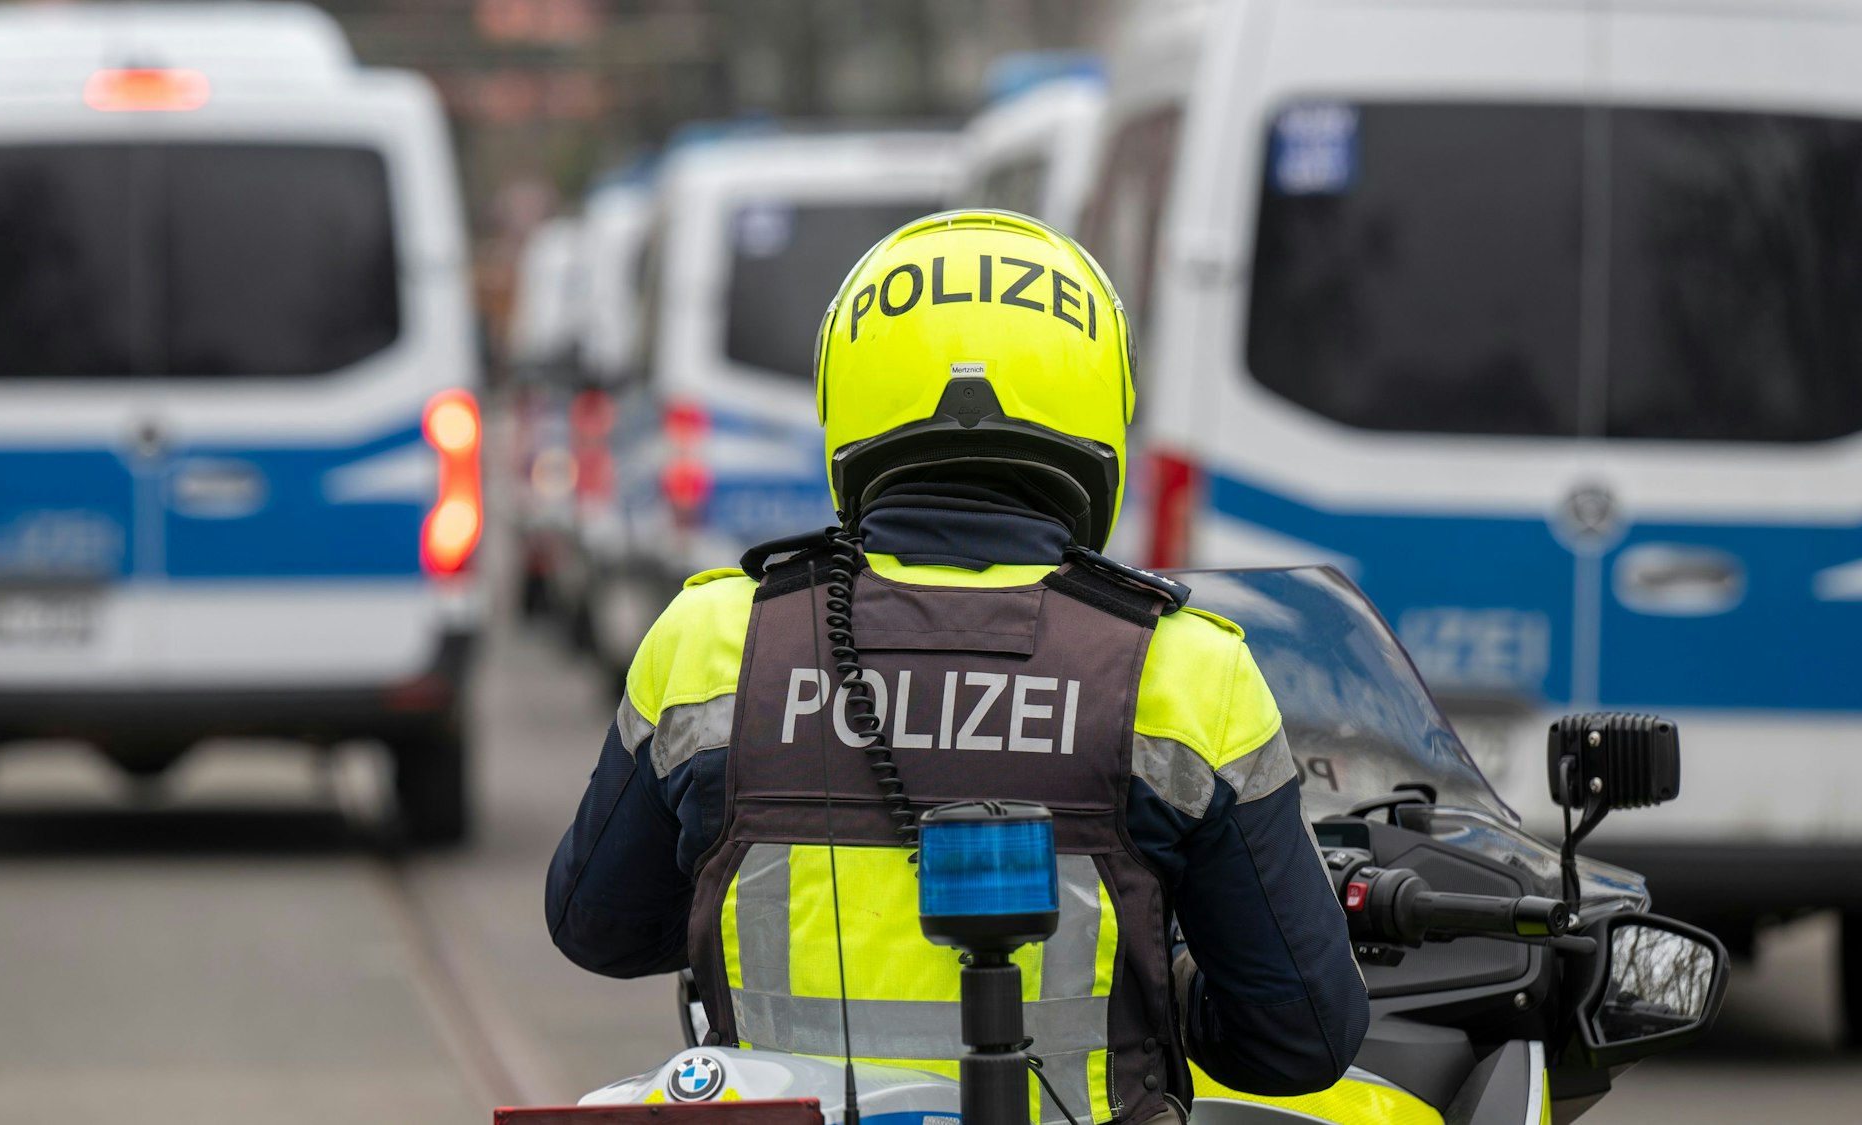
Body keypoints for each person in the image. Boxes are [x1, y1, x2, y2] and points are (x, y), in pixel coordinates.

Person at [547, 210, 1368, 1124]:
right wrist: (1157, 972)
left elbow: (599, 925)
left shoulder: (709, 640)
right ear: (1100, 402)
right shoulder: (1186, 672)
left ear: (847, 398)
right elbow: (1301, 1038)